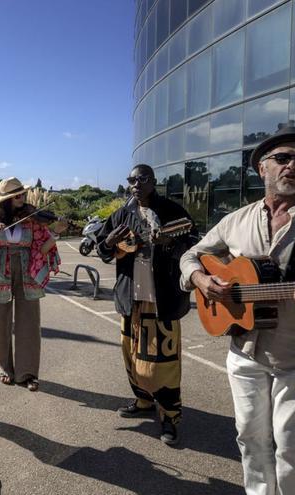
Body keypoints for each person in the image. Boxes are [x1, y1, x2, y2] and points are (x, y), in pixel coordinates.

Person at [179, 124, 295, 494]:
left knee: (293, 449)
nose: (292, 165)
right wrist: (201, 280)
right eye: (282, 158)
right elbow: (191, 255)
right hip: (243, 351)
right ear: (263, 168)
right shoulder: (236, 220)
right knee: (250, 440)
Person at [94, 164, 197, 446]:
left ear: (153, 182)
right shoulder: (122, 214)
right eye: (131, 180)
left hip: (161, 298)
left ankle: (170, 416)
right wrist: (110, 242)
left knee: (163, 363)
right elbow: (101, 248)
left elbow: (193, 247)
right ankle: (142, 401)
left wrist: (167, 243)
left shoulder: (173, 211)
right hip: (131, 296)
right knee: (130, 354)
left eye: (141, 179)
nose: (135, 184)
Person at [0, 177, 65, 392]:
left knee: (29, 323)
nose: (22, 198)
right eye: (17, 195)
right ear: (6, 200)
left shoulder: (32, 219)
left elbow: (43, 248)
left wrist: (57, 232)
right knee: (1, 324)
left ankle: (28, 373)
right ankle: (6, 369)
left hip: (27, 271)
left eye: (22, 194)